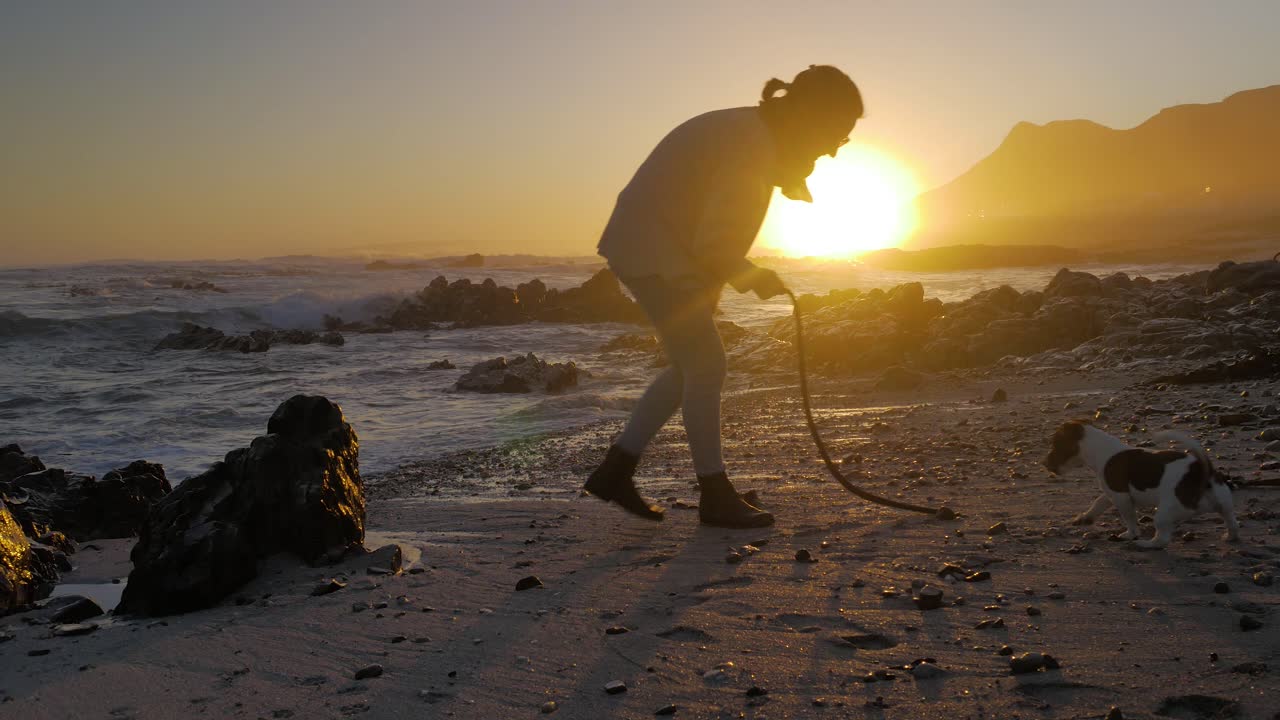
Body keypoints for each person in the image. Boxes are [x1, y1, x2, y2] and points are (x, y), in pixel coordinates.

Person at [586, 65, 864, 528]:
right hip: (654, 250)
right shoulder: (751, 145)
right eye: (838, 132)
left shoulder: (753, 133)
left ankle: (616, 471)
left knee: (688, 367)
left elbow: (710, 232)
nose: (835, 149)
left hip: (656, 246)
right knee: (706, 365)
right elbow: (715, 245)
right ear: (813, 117)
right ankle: (714, 494)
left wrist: (738, 271)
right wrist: (751, 274)